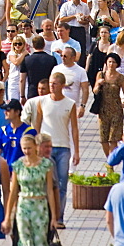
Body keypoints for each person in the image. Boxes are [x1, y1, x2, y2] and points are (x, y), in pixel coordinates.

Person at [1, 134, 58, 246]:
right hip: (23, 207)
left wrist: (54, 216)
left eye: (29, 148)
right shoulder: (18, 165)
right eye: (24, 148)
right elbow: (13, 192)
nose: (26, 151)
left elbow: (50, 191)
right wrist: (7, 217)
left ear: (36, 147)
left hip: (40, 207)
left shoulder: (46, 165)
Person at [35, 73, 79, 227]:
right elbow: (37, 125)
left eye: (55, 83)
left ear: (62, 85)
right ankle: (47, 215)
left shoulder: (70, 103)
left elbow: (74, 128)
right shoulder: (42, 101)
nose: (51, 86)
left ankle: (59, 217)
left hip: (63, 148)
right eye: (51, 83)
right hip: (45, 148)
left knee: (61, 183)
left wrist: (77, 151)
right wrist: (36, 146)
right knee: (45, 183)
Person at [93, 52, 124, 157]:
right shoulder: (101, 75)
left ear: (117, 64)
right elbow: (94, 91)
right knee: (103, 139)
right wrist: (98, 84)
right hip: (103, 110)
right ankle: (109, 159)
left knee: (113, 139)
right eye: (109, 62)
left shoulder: (121, 78)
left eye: (114, 62)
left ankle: (110, 165)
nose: (111, 64)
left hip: (116, 110)